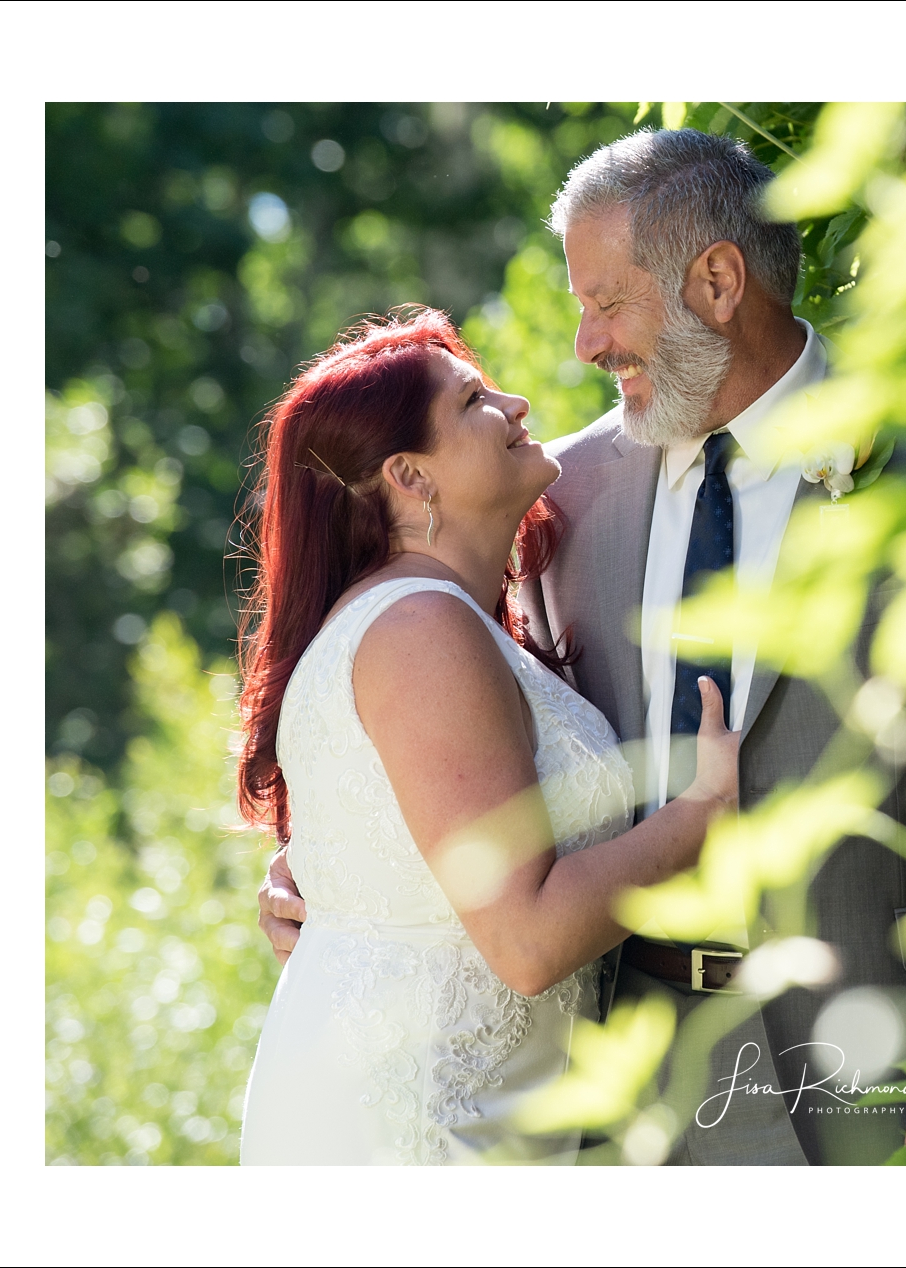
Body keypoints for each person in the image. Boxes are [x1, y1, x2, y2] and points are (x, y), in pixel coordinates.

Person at [262, 129, 906, 1165]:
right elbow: (467, 754)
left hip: (887, 1068)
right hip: (627, 1089)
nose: (585, 346)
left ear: (720, 280)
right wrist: (332, 870)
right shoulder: (566, 495)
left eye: (606, 303)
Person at [236, 307, 739, 1165]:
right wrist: (697, 818)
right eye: (474, 400)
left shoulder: (438, 619)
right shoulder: (422, 628)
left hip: (464, 1109)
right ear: (410, 476)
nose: (517, 402)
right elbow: (528, 940)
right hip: (420, 1131)